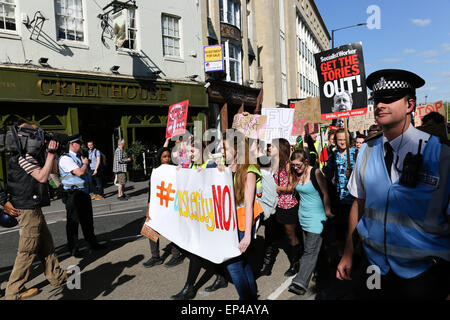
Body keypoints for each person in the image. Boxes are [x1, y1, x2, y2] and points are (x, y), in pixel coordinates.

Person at [337, 69, 450, 300]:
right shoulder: (366, 151)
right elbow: (359, 204)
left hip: (423, 272)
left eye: (389, 99)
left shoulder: (442, 156)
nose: (380, 105)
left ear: (410, 105)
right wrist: (348, 251)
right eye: (377, 100)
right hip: (374, 266)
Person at [4, 123, 71, 300]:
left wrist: (52, 154)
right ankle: (13, 291)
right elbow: (42, 177)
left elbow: (54, 171)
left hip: (33, 207)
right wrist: (49, 154)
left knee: (46, 244)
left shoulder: (31, 156)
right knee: (28, 250)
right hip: (27, 209)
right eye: (35, 135)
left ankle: (55, 276)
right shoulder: (23, 158)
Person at [171, 136, 226, 300]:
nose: (190, 154)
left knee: (197, 252)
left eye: (192, 151)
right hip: (198, 218)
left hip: (210, 219)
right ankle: (221, 277)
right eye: (188, 151)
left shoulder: (211, 164)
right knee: (203, 252)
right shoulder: (192, 166)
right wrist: (182, 174)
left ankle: (189, 288)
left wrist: (218, 170)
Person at [287, 150, 333, 295]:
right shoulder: (295, 174)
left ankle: (300, 282)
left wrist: (327, 210)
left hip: (317, 217)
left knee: (309, 251)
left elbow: (325, 192)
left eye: (298, 165)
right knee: (315, 250)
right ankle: (325, 275)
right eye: (293, 165)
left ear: (306, 162)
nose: (296, 168)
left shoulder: (316, 173)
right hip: (303, 217)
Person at [222, 130, 261, 300]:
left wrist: (247, 236)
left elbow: (249, 205)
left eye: (225, 148)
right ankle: (251, 295)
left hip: (242, 225)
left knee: (233, 265)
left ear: (237, 149)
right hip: (230, 224)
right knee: (242, 263)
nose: (222, 152)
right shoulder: (225, 168)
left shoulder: (249, 171)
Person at [59, 134, 105, 257]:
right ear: (72, 144)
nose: (81, 145)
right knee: (73, 223)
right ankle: (74, 249)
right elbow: (79, 173)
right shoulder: (66, 158)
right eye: (78, 143)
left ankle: (92, 244)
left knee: (88, 221)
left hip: (83, 193)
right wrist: (85, 163)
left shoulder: (77, 157)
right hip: (72, 194)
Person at [143, 146, 185, 269]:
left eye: (168, 156)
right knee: (150, 227)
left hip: (172, 206)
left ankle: (176, 256)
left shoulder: (176, 170)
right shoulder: (156, 172)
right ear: (160, 158)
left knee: (173, 230)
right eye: (164, 157)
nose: (166, 159)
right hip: (158, 205)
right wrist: (148, 210)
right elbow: (151, 192)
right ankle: (155, 257)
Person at [270, 138, 301, 277]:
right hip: (278, 204)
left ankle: (295, 263)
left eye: (272, 146)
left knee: (291, 235)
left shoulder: (288, 166)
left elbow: (291, 187)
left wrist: (275, 187)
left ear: (280, 149)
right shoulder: (275, 164)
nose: (269, 148)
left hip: (289, 205)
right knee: (281, 235)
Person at [326, 128, 356, 251]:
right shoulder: (333, 155)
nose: (343, 142)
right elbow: (330, 174)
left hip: (352, 198)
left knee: (352, 228)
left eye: (345, 139)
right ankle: (341, 252)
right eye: (340, 140)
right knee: (340, 228)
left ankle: (353, 252)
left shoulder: (356, 153)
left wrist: (353, 174)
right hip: (338, 197)